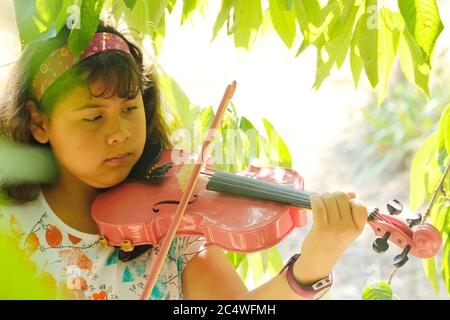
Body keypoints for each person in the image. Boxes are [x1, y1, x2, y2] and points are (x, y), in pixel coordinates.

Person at [0, 21, 368, 300]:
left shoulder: (169, 223)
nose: (119, 133)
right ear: (39, 122)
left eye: (129, 108)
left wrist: (313, 264)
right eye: (93, 117)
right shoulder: (9, 232)